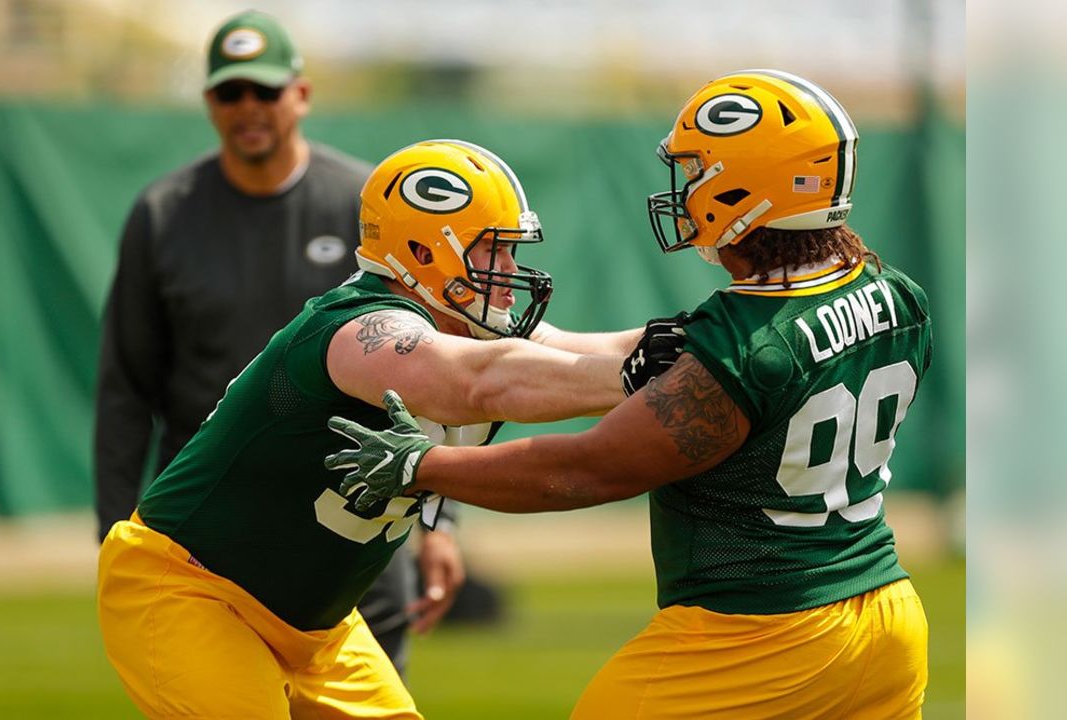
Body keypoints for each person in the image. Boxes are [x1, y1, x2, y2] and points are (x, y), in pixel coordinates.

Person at [326, 70, 933, 719]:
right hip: (888, 618)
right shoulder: (896, 294)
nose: (685, 189)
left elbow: (588, 470)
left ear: (746, 187)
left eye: (699, 171)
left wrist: (423, 468)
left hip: (753, 636)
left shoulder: (749, 344)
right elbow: (665, 363)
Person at [97, 138, 653, 718]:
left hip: (317, 627)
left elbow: (596, 351)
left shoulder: (464, 329)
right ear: (422, 250)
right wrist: (637, 375)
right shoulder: (360, 331)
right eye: (493, 249)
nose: (511, 269)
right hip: (195, 589)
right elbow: (482, 384)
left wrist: (720, 333)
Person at [91, 9, 461, 675]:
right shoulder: (164, 213)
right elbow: (126, 389)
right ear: (209, 101)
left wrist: (441, 520)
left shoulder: (367, 204)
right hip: (210, 536)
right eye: (231, 92)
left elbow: (434, 372)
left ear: (302, 94)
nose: (248, 107)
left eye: (265, 90)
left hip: (351, 519)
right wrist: (113, 538)